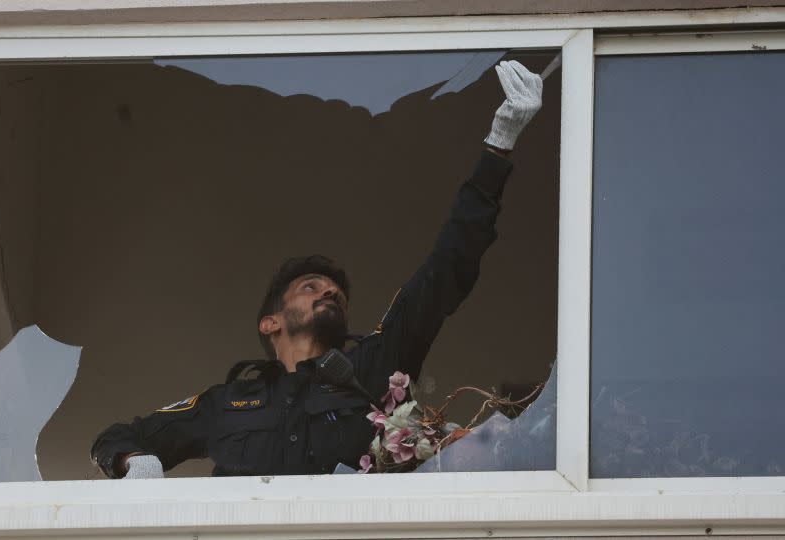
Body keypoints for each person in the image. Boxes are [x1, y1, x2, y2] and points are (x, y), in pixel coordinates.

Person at [90, 60, 543, 479]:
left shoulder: (374, 366)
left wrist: (498, 146)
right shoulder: (225, 403)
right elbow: (118, 437)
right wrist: (135, 461)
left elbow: (447, 267)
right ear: (270, 322)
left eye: (337, 294)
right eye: (311, 287)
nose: (329, 294)